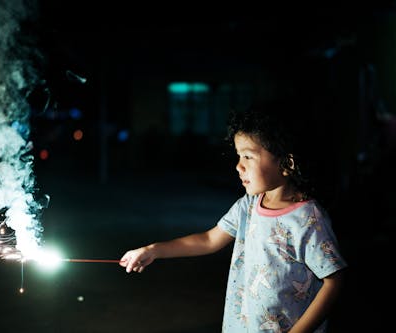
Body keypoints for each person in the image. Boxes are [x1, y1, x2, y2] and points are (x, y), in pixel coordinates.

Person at [119, 99, 348, 332]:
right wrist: (153, 250)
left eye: (248, 157)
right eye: (238, 156)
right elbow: (208, 240)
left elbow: (334, 280)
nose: (239, 166)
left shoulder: (308, 219)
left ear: (286, 163)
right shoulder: (247, 206)